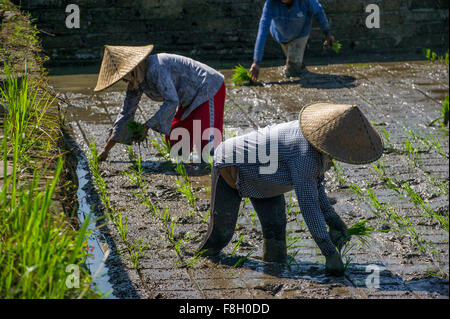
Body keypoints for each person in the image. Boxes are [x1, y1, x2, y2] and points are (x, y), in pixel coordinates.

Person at [198, 102, 384, 276]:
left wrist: (334, 221)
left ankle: (273, 273)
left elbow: (317, 189)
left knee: (276, 230)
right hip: (232, 166)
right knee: (221, 233)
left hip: (267, 177)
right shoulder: (305, 155)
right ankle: (200, 263)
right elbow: (309, 206)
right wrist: (329, 252)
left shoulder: (319, 149)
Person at [93, 45, 226, 161]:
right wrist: (106, 150)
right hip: (189, 99)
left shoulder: (156, 68)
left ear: (133, 68)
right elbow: (126, 113)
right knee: (175, 141)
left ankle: (221, 170)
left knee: (207, 146)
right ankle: (191, 165)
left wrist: (147, 126)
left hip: (208, 88)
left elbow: (172, 101)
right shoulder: (136, 81)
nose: (125, 81)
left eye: (124, 77)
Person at [249, 0, 334, 81]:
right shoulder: (270, 3)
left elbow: (319, 11)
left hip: (300, 34)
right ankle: (301, 66)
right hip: (280, 35)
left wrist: (327, 33)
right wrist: (256, 62)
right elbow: (262, 30)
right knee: (295, 63)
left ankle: (300, 71)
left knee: (292, 71)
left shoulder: (306, 1)